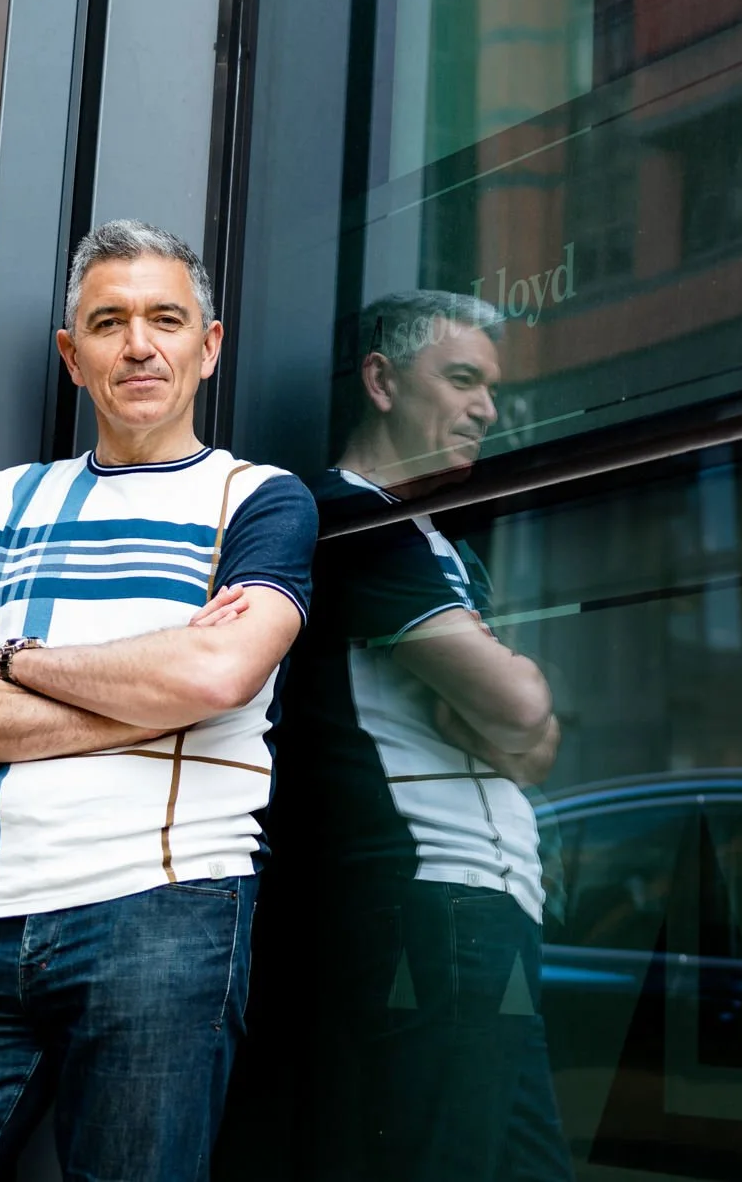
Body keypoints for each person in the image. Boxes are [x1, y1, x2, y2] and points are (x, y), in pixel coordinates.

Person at [0, 221, 317, 1181]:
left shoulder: (259, 501)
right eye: (109, 322)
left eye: (166, 319)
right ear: (73, 355)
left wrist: (11, 661)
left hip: (167, 911)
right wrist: (154, 689)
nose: (139, 344)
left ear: (208, 345)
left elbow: (218, 678)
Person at [250, 289, 570, 1182]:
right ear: (382, 381)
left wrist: (514, 708)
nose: (486, 408)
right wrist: (515, 699)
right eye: (462, 378)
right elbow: (516, 710)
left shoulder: (438, 544)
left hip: (491, 906)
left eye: (492, 388)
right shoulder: (355, 519)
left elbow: (537, 746)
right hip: (435, 906)